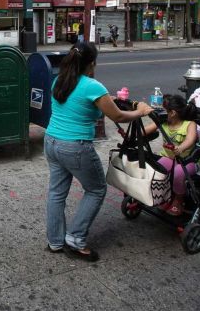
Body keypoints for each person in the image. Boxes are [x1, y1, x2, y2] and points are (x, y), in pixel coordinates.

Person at [44, 41, 152, 262]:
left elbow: (81, 102)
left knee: (56, 193)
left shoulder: (60, 80)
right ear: (92, 63)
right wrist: (141, 112)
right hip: (75, 146)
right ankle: (75, 238)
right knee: (96, 189)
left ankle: (55, 241)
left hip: (52, 141)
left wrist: (109, 100)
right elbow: (118, 117)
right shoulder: (92, 86)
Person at [142, 94, 198, 216]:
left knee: (178, 173)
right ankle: (165, 196)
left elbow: (190, 139)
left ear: (172, 113)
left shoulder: (189, 124)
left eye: (164, 110)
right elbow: (145, 130)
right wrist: (130, 134)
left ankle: (179, 200)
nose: (161, 112)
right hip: (169, 158)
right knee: (157, 169)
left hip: (188, 161)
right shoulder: (163, 122)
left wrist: (181, 147)